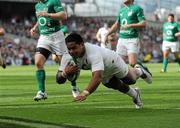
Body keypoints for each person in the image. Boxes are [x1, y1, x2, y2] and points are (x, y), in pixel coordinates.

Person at [56, 33, 152, 109]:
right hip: (102, 69)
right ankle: (135, 94)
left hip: (112, 62)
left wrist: (85, 93)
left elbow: (97, 77)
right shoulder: (67, 56)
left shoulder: (93, 53)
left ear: (82, 44)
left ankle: (139, 70)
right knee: (116, 85)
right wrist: (64, 73)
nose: (71, 51)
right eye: (69, 49)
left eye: (74, 48)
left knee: (130, 80)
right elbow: (59, 79)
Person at [30, 0, 79, 101]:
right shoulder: (37, 5)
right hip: (44, 37)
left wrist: (48, 14)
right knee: (38, 63)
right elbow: (40, 18)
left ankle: (74, 86)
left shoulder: (53, 1)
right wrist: (35, 27)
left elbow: (63, 15)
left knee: (67, 66)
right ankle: (42, 91)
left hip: (57, 37)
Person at [104, 0, 146, 67]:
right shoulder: (121, 10)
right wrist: (107, 34)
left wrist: (130, 25)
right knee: (119, 65)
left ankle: (144, 70)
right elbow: (116, 25)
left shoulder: (137, 8)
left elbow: (143, 24)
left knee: (132, 63)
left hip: (132, 39)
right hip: (121, 39)